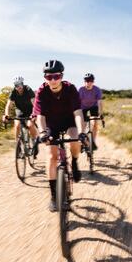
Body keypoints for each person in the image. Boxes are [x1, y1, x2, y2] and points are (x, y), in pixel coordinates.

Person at [32, 60, 87, 212]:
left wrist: (82, 132)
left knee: (75, 140)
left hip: (69, 120)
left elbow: (77, 113)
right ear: (45, 78)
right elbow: (40, 116)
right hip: (51, 125)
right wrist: (43, 133)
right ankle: (53, 196)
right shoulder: (41, 91)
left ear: (61, 75)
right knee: (51, 156)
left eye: (56, 76)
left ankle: (75, 162)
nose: (53, 80)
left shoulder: (70, 89)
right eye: (49, 77)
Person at [2, 76, 38, 153]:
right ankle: (18, 146)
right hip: (20, 111)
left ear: (22, 83)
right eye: (16, 85)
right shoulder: (13, 92)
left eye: (20, 84)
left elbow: (34, 103)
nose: (18, 87)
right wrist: (6, 115)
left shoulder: (28, 89)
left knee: (30, 125)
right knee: (17, 125)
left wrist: (34, 114)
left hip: (30, 111)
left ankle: (34, 141)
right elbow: (8, 105)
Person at [78, 73, 103, 150]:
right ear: (84, 81)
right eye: (86, 81)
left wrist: (100, 113)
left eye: (90, 81)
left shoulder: (97, 90)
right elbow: (77, 102)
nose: (88, 83)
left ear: (93, 82)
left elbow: (99, 102)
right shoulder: (81, 89)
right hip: (83, 107)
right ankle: (83, 140)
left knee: (95, 122)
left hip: (93, 107)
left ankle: (93, 141)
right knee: (83, 124)